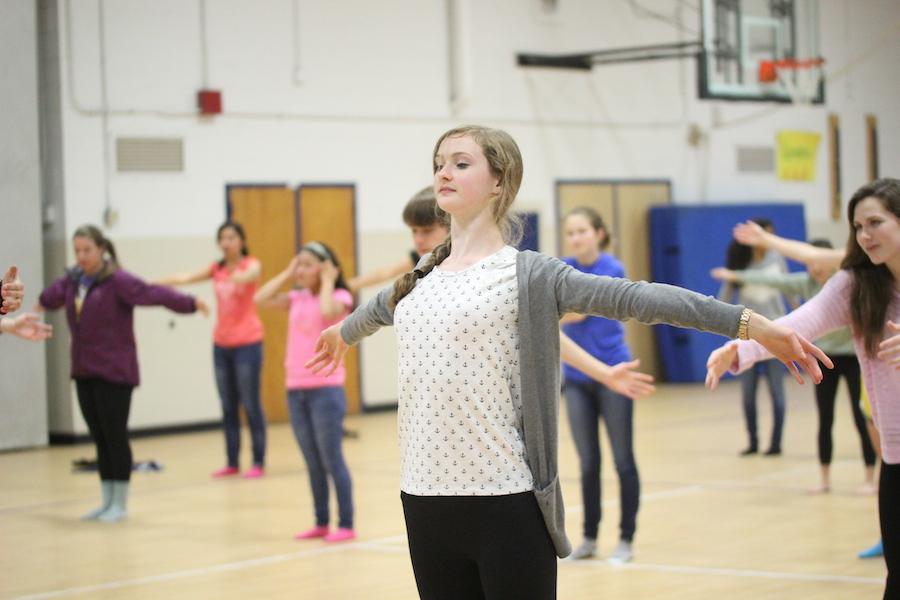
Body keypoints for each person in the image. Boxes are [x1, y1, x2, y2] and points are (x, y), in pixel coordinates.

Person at [306, 125, 828, 599]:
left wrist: (750, 324)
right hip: (422, 498)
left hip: (504, 500)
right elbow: (380, 307)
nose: (443, 171)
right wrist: (342, 332)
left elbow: (642, 298)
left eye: (461, 162)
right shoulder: (422, 273)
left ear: (498, 181)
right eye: (439, 162)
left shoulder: (532, 275)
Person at [706, 178, 900, 599]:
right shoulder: (856, 285)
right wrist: (739, 349)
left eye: (875, 223)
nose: (865, 236)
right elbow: (797, 325)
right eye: (857, 227)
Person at [36, 225, 208, 522]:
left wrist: (190, 303)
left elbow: (153, 293)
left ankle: (121, 503)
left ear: (102, 249)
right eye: (76, 250)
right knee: (99, 437)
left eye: (87, 250)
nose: (81, 256)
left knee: (115, 435)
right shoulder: (74, 281)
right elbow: (48, 298)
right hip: (84, 368)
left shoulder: (118, 280)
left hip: (115, 370)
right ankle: (105, 501)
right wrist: (58, 286)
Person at [712, 239, 876, 492]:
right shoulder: (826, 288)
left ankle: (869, 478)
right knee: (825, 419)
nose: (814, 268)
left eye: (818, 262)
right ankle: (824, 479)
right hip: (822, 358)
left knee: (862, 417)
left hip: (851, 357)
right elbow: (783, 304)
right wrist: (740, 350)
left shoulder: (857, 283)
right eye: (809, 264)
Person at [254, 241, 356, 543]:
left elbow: (328, 312)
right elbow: (260, 298)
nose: (301, 270)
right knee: (312, 461)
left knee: (331, 459)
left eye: (308, 264)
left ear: (325, 267)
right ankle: (321, 521)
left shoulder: (340, 295)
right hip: (295, 389)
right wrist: (288, 272)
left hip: (326, 390)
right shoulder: (296, 297)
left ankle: (346, 524)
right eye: (299, 263)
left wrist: (326, 280)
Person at [558, 206, 644, 563]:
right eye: (571, 232)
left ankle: (626, 538)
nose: (576, 238)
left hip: (615, 373)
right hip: (577, 379)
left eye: (582, 231)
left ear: (599, 233)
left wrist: (561, 310)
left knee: (622, 459)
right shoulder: (562, 270)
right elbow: (558, 311)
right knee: (587, 462)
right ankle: (590, 537)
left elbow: (575, 311)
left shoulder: (612, 269)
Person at [155, 222, 267, 478]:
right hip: (221, 344)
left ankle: (258, 461)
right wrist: (151, 284)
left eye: (231, 237)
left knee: (250, 404)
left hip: (248, 343)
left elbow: (252, 275)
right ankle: (232, 461)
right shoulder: (215, 268)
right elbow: (183, 278)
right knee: (228, 405)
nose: (226, 242)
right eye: (222, 238)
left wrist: (237, 276)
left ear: (241, 241)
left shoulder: (251, 264)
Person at [717, 221, 790, 456]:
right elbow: (725, 298)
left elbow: (788, 289)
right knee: (748, 394)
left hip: (775, 332)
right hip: (747, 336)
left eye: (770, 235)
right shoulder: (741, 261)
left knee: (776, 392)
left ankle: (776, 442)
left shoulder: (777, 259)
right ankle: (753, 441)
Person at [348, 186, 449, 293]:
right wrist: (344, 286)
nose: (418, 240)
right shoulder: (421, 259)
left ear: (450, 226)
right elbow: (386, 272)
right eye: (414, 231)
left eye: (427, 231)